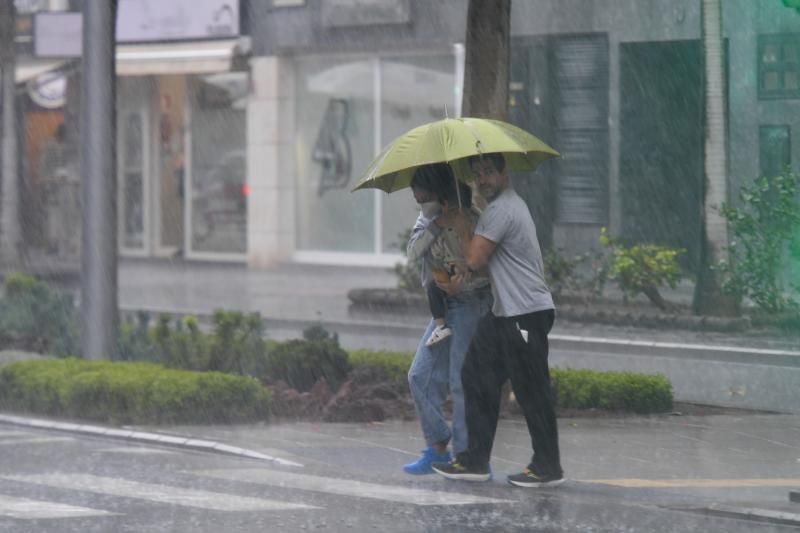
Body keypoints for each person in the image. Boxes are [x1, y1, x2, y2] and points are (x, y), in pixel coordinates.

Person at [432, 152, 564, 487]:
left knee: (532, 389)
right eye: (477, 174)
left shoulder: (503, 209)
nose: (482, 180)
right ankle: (474, 460)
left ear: (504, 173)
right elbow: (490, 264)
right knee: (475, 375)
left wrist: (462, 226)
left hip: (526, 314)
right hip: (505, 312)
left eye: (489, 172)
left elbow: (474, 259)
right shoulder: (500, 210)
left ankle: (547, 467)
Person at [402, 163, 493, 475]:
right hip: (444, 305)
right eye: (417, 202)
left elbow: (485, 265)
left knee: (461, 381)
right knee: (419, 376)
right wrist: (437, 224)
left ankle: (469, 457)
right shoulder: (427, 219)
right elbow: (413, 252)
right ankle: (438, 446)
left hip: (472, 304)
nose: (420, 206)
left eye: (423, 199)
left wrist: (459, 225)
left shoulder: (473, 216)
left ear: (439, 194)